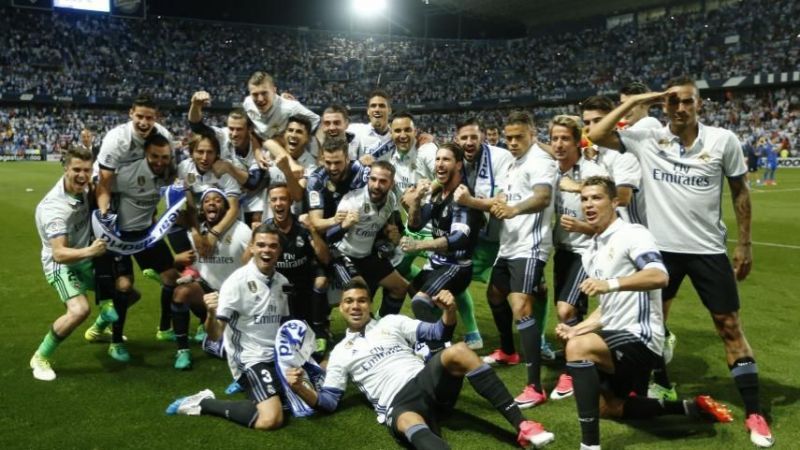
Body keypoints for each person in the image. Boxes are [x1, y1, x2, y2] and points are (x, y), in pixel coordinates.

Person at [586, 75, 774, 448]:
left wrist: (746, 244)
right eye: (673, 102)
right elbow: (596, 135)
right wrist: (641, 98)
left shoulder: (723, 141)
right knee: (651, 327)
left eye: (687, 101)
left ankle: (754, 412)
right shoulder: (647, 137)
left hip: (707, 250)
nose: (680, 108)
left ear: (699, 104)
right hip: (661, 252)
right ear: (663, 106)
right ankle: (652, 389)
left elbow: (740, 191)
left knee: (729, 326)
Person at [558, 176, 734, 450]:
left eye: (597, 198)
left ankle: (589, 446)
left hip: (641, 338)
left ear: (615, 202)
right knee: (606, 407)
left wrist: (610, 284)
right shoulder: (592, 249)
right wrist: (577, 328)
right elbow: (606, 310)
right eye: (584, 198)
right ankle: (689, 408)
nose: (589, 204)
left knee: (579, 348)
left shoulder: (633, 234)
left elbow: (659, 275)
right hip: (616, 335)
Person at [285, 279, 556, 449]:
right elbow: (329, 402)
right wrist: (300, 389)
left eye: (361, 300)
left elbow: (439, 333)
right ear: (341, 308)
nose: (355, 306)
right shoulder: (341, 353)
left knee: (459, 351)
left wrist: (449, 311)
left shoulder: (391, 322)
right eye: (349, 302)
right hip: (398, 402)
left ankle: (523, 426)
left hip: (427, 380)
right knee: (408, 423)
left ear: (369, 304)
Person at [166, 224, 292, 431]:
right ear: (251, 247)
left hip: (276, 357)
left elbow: (284, 324)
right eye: (260, 245)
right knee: (271, 420)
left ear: (279, 250)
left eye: (272, 246)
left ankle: (259, 389)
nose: (266, 251)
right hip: (250, 359)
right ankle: (204, 402)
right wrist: (211, 313)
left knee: (307, 400)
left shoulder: (282, 282)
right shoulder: (236, 283)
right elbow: (215, 334)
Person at [485, 111, 557, 409]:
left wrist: (513, 210)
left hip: (530, 246)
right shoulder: (515, 164)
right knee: (494, 294)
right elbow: (503, 194)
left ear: (532, 135)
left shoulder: (540, 161)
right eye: (509, 137)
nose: (512, 143)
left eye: (519, 137)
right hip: (509, 245)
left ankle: (534, 386)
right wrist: (500, 201)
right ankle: (507, 350)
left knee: (521, 307)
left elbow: (542, 197)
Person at [30, 146, 109, 381]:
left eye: (86, 170)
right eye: (76, 170)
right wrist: (92, 250)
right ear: (65, 168)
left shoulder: (82, 187)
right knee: (79, 310)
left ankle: (97, 331)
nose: (82, 175)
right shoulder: (54, 209)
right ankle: (40, 357)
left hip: (83, 256)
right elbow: (59, 254)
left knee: (126, 293)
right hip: (62, 263)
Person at [102, 133, 180, 362]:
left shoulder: (168, 173)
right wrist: (103, 216)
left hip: (146, 233)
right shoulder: (128, 175)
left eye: (164, 157)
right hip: (121, 236)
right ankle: (115, 342)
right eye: (154, 156)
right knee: (124, 286)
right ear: (146, 154)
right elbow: (102, 186)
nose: (159, 161)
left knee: (171, 277)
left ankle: (164, 328)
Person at [546, 116, 608, 401]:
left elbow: (609, 219)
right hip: (563, 252)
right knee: (571, 312)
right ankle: (581, 354)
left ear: (577, 141)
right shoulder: (552, 171)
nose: (558, 144)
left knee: (565, 311)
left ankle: (573, 371)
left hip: (587, 251)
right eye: (554, 138)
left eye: (565, 139)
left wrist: (583, 225)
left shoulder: (593, 171)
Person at [401, 143, 484, 352]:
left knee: (421, 301)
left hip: (457, 266)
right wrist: (417, 199)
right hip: (437, 263)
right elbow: (414, 224)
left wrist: (419, 244)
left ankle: (438, 346)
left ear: (458, 164)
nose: (440, 164)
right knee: (409, 289)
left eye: (446, 160)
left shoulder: (461, 195)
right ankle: (434, 336)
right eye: (438, 159)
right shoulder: (439, 194)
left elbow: (458, 238)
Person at [449, 117, 516, 350]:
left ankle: (538, 342)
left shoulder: (500, 158)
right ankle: (473, 332)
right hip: (478, 240)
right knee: (454, 278)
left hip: (508, 238)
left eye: (473, 137)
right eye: (464, 137)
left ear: (483, 137)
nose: (469, 142)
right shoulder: (457, 161)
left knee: (528, 291)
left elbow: (500, 203)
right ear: (457, 139)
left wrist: (469, 201)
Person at [170, 188, 251, 370]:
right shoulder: (196, 233)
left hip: (236, 296)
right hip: (208, 294)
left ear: (226, 207)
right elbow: (185, 263)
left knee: (225, 352)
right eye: (207, 201)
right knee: (181, 292)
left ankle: (215, 331)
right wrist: (180, 264)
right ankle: (183, 351)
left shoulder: (241, 231)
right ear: (202, 208)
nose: (212, 203)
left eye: (217, 200)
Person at [326, 161, 409, 318]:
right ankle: (361, 334)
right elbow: (330, 237)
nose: (376, 185)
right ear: (368, 179)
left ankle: (383, 323)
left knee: (400, 287)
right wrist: (344, 226)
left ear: (391, 183)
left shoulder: (391, 199)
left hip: (366, 256)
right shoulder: (352, 201)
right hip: (343, 254)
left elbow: (389, 224)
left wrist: (391, 234)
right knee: (361, 296)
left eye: (383, 181)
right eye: (373, 179)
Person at [264, 183, 331, 351]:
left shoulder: (303, 226)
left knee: (321, 280)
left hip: (305, 283)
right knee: (290, 340)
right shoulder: (265, 230)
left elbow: (325, 258)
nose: (279, 203)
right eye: (274, 200)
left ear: (290, 202)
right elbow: (249, 265)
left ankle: (319, 329)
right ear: (269, 204)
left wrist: (313, 231)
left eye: (283, 199)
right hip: (280, 288)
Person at [580, 96, 645, 225]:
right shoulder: (598, 151)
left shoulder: (625, 152)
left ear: (613, 121)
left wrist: (577, 188)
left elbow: (622, 197)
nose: (591, 127)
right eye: (587, 122)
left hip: (638, 230)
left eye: (598, 121)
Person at [242, 71, 319, 143]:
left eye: (264, 93)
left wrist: (296, 139)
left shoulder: (290, 107)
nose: (260, 99)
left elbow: (315, 120)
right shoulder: (247, 103)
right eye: (255, 94)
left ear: (274, 90)